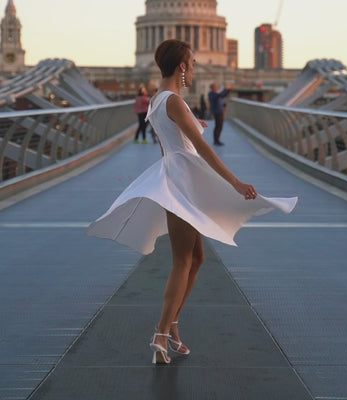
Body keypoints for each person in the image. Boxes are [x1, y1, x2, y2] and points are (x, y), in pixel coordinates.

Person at [86, 39, 298, 365]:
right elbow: (203, 148)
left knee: (196, 258)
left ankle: (171, 328)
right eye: (193, 63)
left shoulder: (159, 100)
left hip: (175, 175)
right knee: (183, 261)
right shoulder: (174, 101)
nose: (195, 68)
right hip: (185, 182)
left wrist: (187, 132)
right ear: (182, 67)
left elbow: (171, 143)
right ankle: (160, 333)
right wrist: (235, 182)